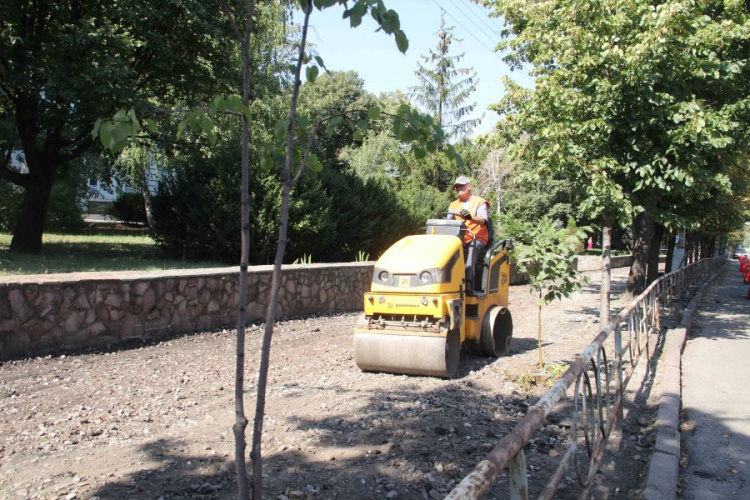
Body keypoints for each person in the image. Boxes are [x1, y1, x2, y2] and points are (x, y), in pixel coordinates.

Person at [449, 176, 490, 291]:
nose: (458, 189)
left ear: (469, 186)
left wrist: (470, 217)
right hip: (459, 239)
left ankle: (468, 284)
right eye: (456, 187)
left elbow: (483, 221)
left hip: (477, 238)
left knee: (472, 247)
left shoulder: (480, 202)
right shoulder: (453, 205)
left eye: (461, 186)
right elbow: (448, 221)